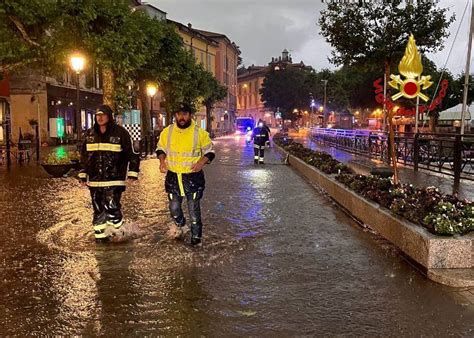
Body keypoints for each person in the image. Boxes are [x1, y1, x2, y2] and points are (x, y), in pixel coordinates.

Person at [79, 104, 140, 243]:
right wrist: (83, 174)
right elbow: (84, 156)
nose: (100, 118)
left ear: (109, 116)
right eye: (97, 115)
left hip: (114, 180)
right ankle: (101, 240)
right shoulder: (89, 134)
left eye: (102, 115)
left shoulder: (120, 133)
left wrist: (132, 173)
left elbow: (131, 154)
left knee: (112, 208)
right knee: (98, 209)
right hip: (95, 181)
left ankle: (120, 235)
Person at [156, 104, 215, 246]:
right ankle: (181, 227)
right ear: (175, 115)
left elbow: (210, 152)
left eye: (184, 114)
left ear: (190, 115)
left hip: (192, 178)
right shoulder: (167, 132)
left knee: (194, 211)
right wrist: (162, 161)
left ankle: (196, 239)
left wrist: (201, 163)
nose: (181, 117)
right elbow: (160, 148)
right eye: (179, 114)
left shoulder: (199, 133)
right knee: (174, 208)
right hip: (173, 178)